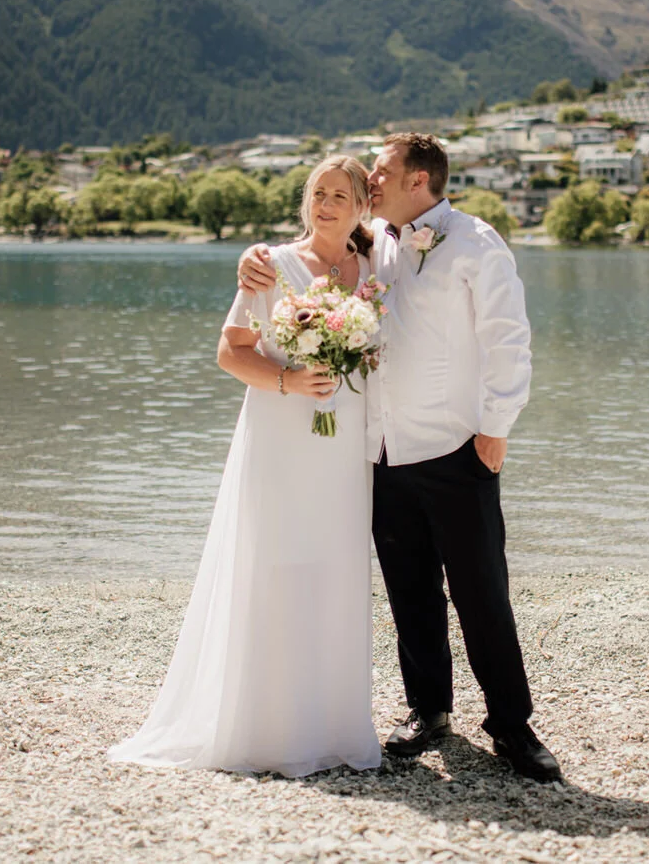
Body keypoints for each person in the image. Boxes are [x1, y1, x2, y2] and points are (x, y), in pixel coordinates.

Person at [237, 133, 561, 782]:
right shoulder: (375, 241)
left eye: (380, 171)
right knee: (411, 591)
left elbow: (509, 338)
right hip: (381, 451)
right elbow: (315, 250)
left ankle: (512, 724)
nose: (370, 180)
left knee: (480, 591)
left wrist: (496, 427)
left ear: (418, 180)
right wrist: (255, 259)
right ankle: (428, 710)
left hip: (456, 448)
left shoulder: (474, 242)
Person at [108, 155, 382, 777]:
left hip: (342, 447)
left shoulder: (372, 270)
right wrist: (288, 379)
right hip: (280, 435)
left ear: (363, 206)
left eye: (341, 194)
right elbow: (230, 352)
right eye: (318, 193)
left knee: (336, 565)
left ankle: (333, 726)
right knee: (275, 560)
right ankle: (268, 728)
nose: (326, 204)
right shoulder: (273, 266)